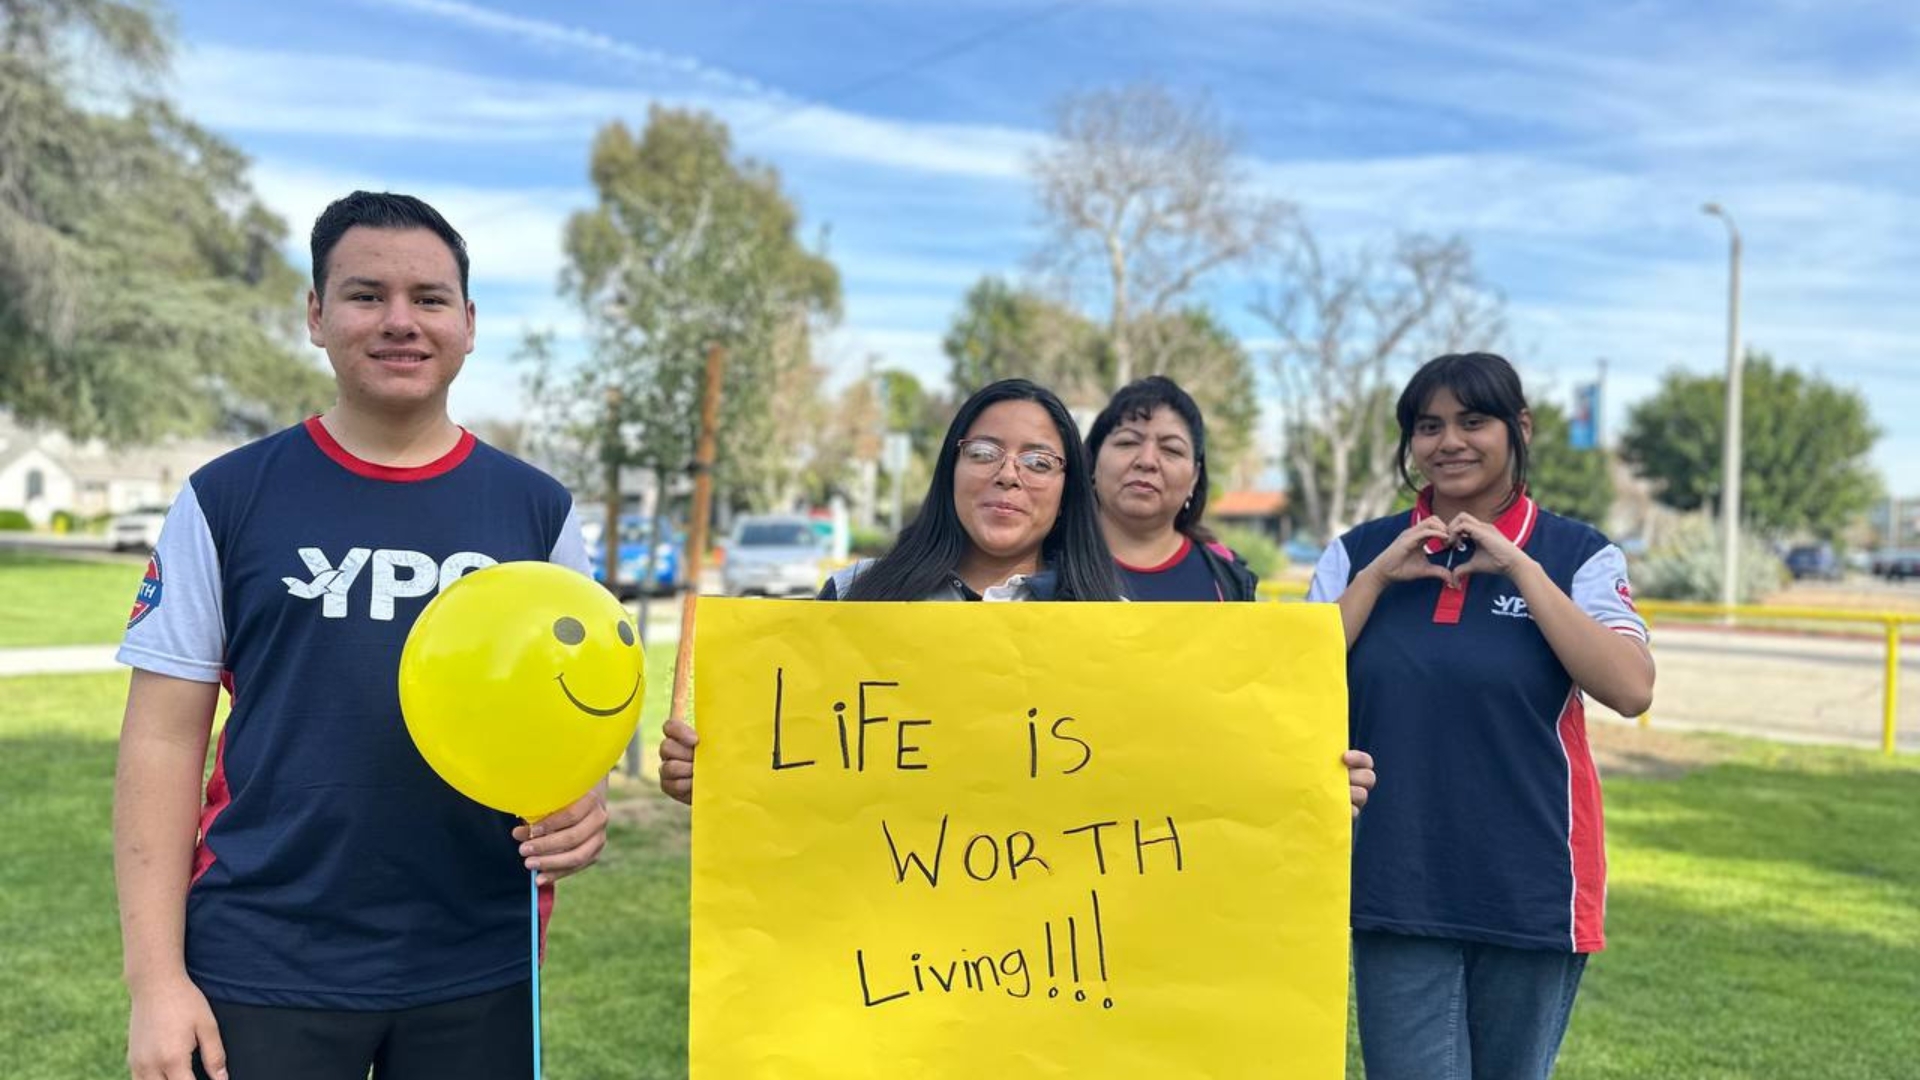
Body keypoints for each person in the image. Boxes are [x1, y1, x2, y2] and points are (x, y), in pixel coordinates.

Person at [113, 191, 609, 1080]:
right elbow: (161, 740)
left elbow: (579, 708)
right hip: (262, 953)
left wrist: (584, 801)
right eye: (365, 295)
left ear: (468, 323)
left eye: (429, 298)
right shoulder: (226, 498)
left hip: (480, 955)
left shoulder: (537, 510)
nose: (399, 321)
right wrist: (154, 981)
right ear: (316, 315)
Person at [661, 378, 1376, 812]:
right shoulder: (853, 599)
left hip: (1053, 969)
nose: (1009, 474)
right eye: (984, 452)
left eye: (1039, 461)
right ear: (949, 468)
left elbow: (1183, 777)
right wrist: (719, 773)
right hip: (875, 957)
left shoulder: (1116, 626)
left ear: (1068, 487)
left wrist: (1296, 788)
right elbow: (790, 764)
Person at [1306, 352, 1655, 1080]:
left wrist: (1522, 568)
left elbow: (1630, 689)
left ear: (1518, 428)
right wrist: (1377, 578)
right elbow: (1292, 687)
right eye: (1429, 426)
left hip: (1532, 883)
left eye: (1473, 421)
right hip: (1395, 878)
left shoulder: (1578, 554)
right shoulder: (1357, 554)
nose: (1450, 442)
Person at [1085, 375, 1257, 601]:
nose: (1147, 461)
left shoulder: (1227, 580)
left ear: (1194, 477)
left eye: (1171, 450)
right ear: (1093, 460)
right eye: (1127, 442)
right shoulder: (1046, 570)